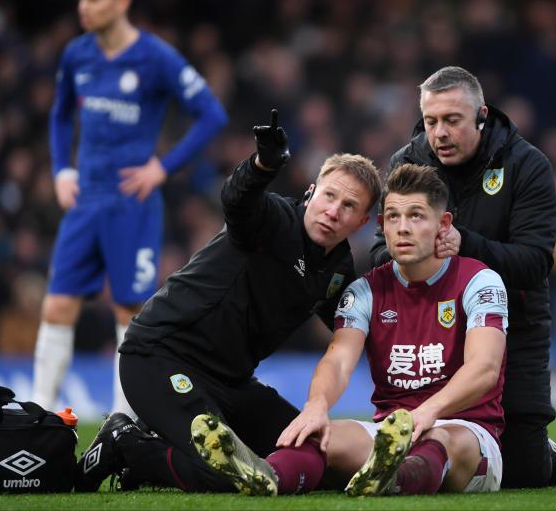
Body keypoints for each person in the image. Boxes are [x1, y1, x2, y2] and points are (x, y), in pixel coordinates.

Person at [74, 109, 382, 493]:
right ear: (311, 192)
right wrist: (263, 165)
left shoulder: (337, 270)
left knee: (307, 452)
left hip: (231, 384)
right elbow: (237, 200)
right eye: (329, 195)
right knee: (229, 471)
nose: (333, 211)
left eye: (349, 206)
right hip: (160, 357)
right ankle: (128, 445)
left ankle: (150, 457)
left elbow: (361, 332)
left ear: (363, 222)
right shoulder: (272, 221)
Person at [191, 163, 508, 497]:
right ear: (381, 225)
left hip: (469, 437)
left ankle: (395, 479)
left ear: (442, 224)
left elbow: (483, 369)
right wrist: (316, 406)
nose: (403, 228)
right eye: (394, 218)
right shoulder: (364, 292)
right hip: (390, 434)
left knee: (437, 438)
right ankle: (266, 475)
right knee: (319, 436)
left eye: (416, 216)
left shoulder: (478, 281)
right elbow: (339, 359)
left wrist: (426, 412)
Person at [32, 0, 228, 418]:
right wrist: (62, 169)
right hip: (85, 200)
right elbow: (60, 114)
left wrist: (163, 167)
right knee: (57, 304)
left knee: (129, 311)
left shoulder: (155, 57)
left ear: (121, 1)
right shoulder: (77, 54)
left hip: (131, 204)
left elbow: (211, 114)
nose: (84, 6)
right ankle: (39, 412)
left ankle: (125, 418)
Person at [370, 66, 556, 488]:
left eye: (452, 120)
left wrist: (467, 246)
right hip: (430, 331)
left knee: (523, 474)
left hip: (514, 327)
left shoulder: (527, 165)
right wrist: (419, 254)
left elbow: (535, 263)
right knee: (429, 439)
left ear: (481, 115)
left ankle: (542, 450)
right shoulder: (407, 162)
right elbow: (378, 251)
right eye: (431, 122)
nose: (439, 133)